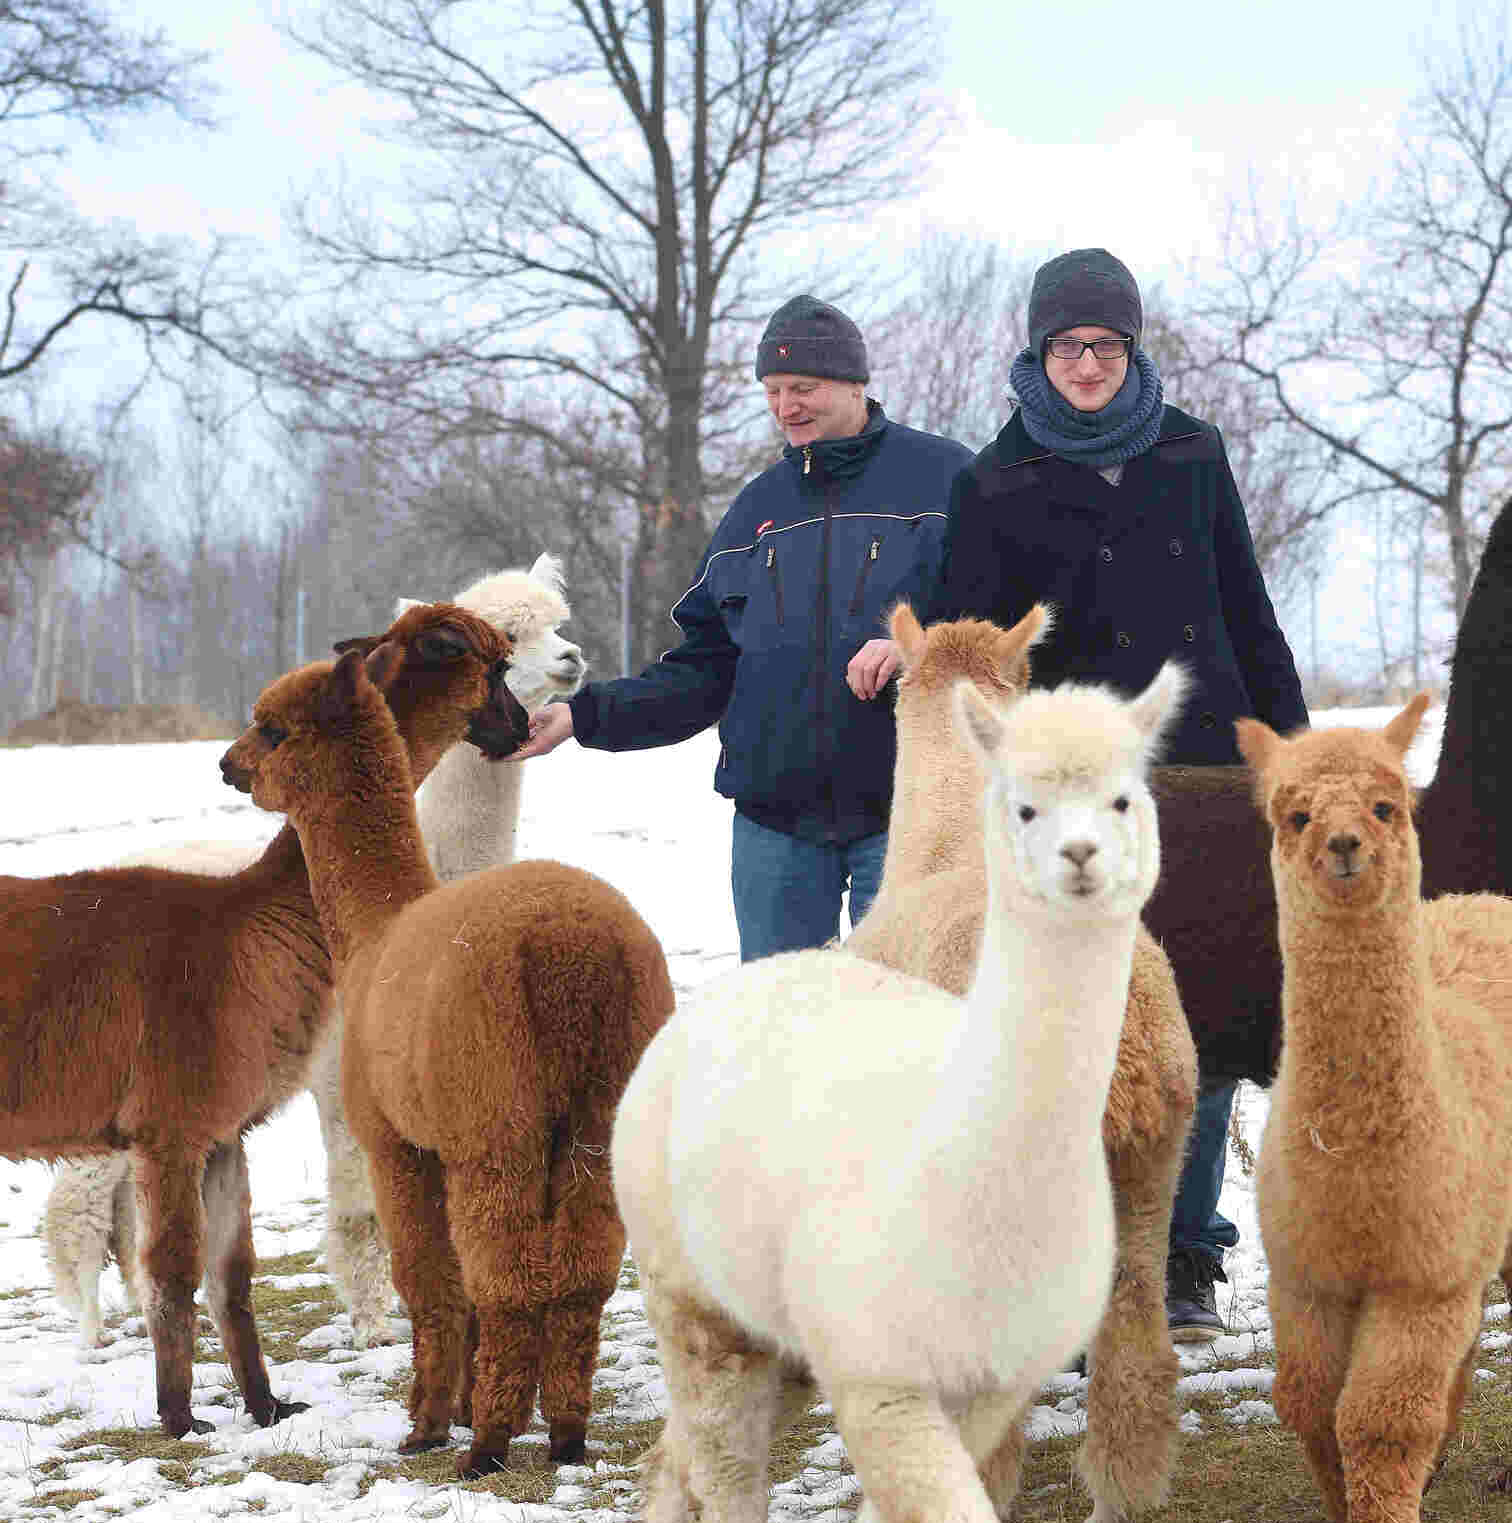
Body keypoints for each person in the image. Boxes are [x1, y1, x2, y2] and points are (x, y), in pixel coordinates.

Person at [928, 247, 1309, 1344]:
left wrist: (1284, 751)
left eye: (1105, 344)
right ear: (1037, 352)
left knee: (1206, 1014)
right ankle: (1080, 1254)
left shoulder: (1193, 451)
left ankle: (1188, 1254)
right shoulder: (991, 480)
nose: (1087, 363)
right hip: (1078, 790)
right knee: (1082, 1017)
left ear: (1132, 349)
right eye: (1067, 345)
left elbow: (1246, 601)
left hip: (1206, 771)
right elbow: (976, 649)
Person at [512, 295, 973, 961]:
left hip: (913, 814)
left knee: (909, 1024)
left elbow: (1004, 620)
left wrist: (923, 648)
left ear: (855, 382)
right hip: (775, 827)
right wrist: (584, 715)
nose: (787, 406)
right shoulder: (754, 510)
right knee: (777, 1039)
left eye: (804, 388)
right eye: (774, 390)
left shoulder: (945, 478)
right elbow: (703, 669)